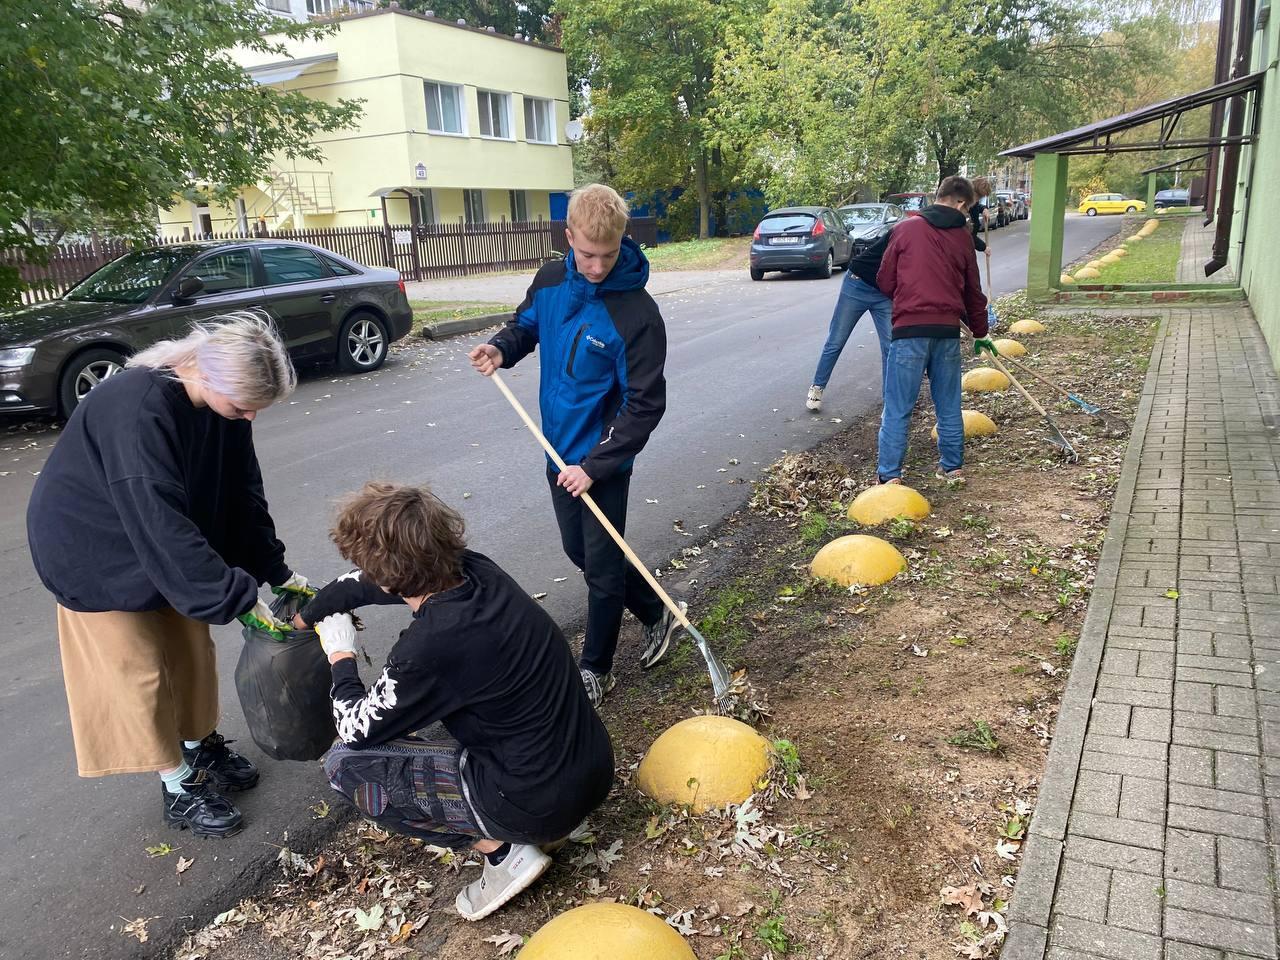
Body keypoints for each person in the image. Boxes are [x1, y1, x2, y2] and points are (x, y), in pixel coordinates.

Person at [26, 311, 307, 838]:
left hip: (159, 533)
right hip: (91, 546)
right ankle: (177, 784)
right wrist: (237, 598)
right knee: (139, 668)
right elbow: (157, 516)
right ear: (206, 374)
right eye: (244, 405)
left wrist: (275, 569)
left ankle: (200, 747)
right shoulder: (136, 410)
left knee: (189, 650)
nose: (249, 418)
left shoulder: (224, 412)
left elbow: (243, 494)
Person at [296, 482, 614, 921]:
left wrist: (340, 655)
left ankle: (504, 854)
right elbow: (364, 585)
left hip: (535, 801)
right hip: (591, 770)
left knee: (345, 764)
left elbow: (353, 727)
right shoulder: (477, 570)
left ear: (389, 577)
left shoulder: (428, 647)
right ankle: (537, 822)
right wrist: (310, 612)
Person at [468, 184, 683, 708]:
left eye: (608, 255)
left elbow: (644, 404)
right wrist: (500, 348)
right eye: (586, 254)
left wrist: (596, 464)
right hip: (556, 449)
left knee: (603, 569)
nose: (596, 266)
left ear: (621, 242)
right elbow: (526, 326)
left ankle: (597, 668)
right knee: (580, 552)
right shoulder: (549, 281)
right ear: (569, 238)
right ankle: (656, 612)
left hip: (601, 461)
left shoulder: (636, 313)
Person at [875, 176, 997, 485]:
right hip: (945, 332)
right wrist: (980, 332)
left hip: (908, 331)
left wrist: (908, 297)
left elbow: (885, 280)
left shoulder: (904, 230)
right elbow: (973, 292)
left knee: (898, 406)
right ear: (959, 203)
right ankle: (952, 467)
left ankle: (889, 475)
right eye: (967, 208)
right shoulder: (962, 238)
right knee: (948, 403)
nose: (967, 214)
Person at [805, 227, 897, 413]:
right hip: (858, 284)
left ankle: (890, 400)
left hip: (883, 294)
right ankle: (817, 387)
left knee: (890, 346)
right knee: (836, 340)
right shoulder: (902, 232)